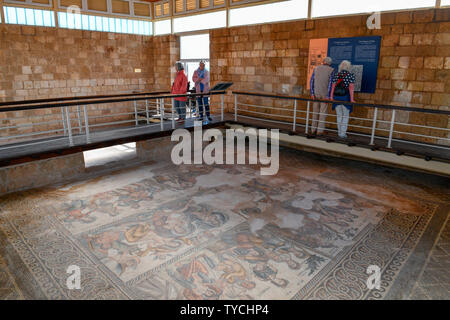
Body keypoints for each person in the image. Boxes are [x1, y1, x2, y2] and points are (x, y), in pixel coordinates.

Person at [309, 57, 335, 136]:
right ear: (330, 63)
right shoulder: (331, 70)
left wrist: (312, 93)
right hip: (324, 95)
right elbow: (330, 84)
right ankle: (320, 131)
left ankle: (313, 129)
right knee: (323, 113)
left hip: (316, 95)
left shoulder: (316, 68)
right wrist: (328, 96)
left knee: (315, 112)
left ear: (323, 62)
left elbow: (311, 81)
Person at [330, 60, 355, 139]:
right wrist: (351, 99)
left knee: (339, 116)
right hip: (345, 98)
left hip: (336, 97)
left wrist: (331, 97)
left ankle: (339, 132)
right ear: (348, 67)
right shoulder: (350, 75)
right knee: (345, 116)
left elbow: (333, 87)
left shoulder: (336, 75)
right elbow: (351, 88)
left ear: (340, 66)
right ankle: (342, 134)